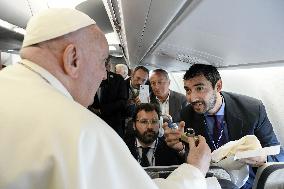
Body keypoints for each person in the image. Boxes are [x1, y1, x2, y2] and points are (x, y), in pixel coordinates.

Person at [0, 8, 213, 189]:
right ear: (72, 58)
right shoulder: (81, 130)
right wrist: (194, 170)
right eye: (103, 62)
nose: (104, 75)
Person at [164, 63, 284, 189]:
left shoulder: (252, 110)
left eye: (199, 88)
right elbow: (190, 160)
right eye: (188, 90)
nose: (191, 98)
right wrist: (180, 149)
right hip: (210, 184)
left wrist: (263, 158)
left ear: (218, 86)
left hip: (247, 185)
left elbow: (279, 154)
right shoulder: (187, 114)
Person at [88, 61, 128, 138]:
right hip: (93, 123)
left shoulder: (118, 79)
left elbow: (122, 102)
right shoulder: (89, 78)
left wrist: (101, 110)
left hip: (113, 124)